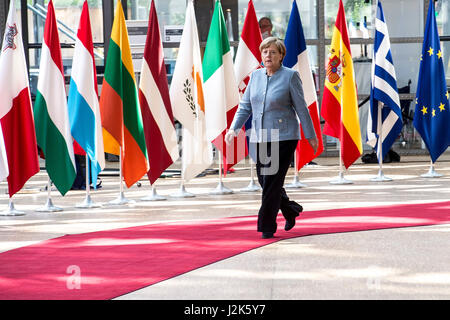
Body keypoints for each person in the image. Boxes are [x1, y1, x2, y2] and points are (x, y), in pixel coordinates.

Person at [225, 37, 318, 239]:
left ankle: (266, 226)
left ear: (281, 56)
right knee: (265, 180)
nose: (268, 55)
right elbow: (245, 106)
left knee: (272, 180)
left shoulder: (291, 76)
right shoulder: (256, 76)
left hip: (283, 137)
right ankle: (290, 209)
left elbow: (302, 108)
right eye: (265, 52)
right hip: (260, 136)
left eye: (273, 52)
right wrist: (234, 128)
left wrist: (310, 135)